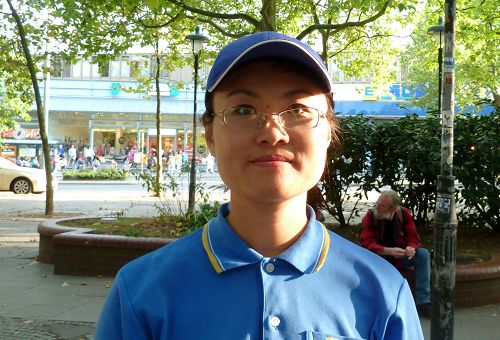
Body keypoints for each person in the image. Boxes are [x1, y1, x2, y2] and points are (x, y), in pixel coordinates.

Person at [95, 31, 423, 339]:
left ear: (328, 133)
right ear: (210, 135)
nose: (272, 132)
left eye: (297, 109)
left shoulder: (383, 291)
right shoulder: (141, 291)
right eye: (243, 110)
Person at [360, 190, 431, 317]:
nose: (377, 207)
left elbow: (413, 237)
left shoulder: (403, 213)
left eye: (382, 206)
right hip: (379, 258)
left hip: (400, 256)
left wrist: (411, 248)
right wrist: (389, 251)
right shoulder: (371, 216)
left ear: (393, 208)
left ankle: (423, 302)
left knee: (423, 254)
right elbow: (366, 243)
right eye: (377, 203)